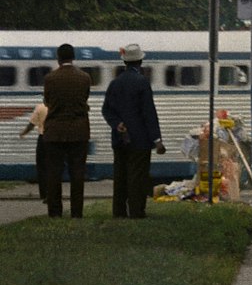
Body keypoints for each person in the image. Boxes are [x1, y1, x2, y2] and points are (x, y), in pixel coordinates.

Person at [102, 44, 165, 219]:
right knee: (137, 176)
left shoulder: (115, 83)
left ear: (125, 62)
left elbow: (106, 110)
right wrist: (157, 140)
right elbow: (148, 113)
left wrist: (117, 124)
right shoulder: (142, 82)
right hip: (140, 140)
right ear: (140, 61)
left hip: (119, 139)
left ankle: (119, 211)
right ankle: (136, 211)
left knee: (120, 176)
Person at [42, 44, 92, 218]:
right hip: (78, 131)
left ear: (58, 58)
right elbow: (84, 99)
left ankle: (55, 212)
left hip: (54, 131)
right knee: (78, 173)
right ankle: (77, 212)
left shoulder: (50, 78)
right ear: (73, 57)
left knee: (53, 173)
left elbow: (47, 101)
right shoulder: (85, 77)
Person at [18, 100, 48, 202]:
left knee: (41, 168)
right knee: (54, 168)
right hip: (54, 139)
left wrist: (23, 133)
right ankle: (54, 194)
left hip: (43, 139)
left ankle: (44, 194)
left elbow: (31, 124)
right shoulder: (56, 107)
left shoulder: (40, 108)